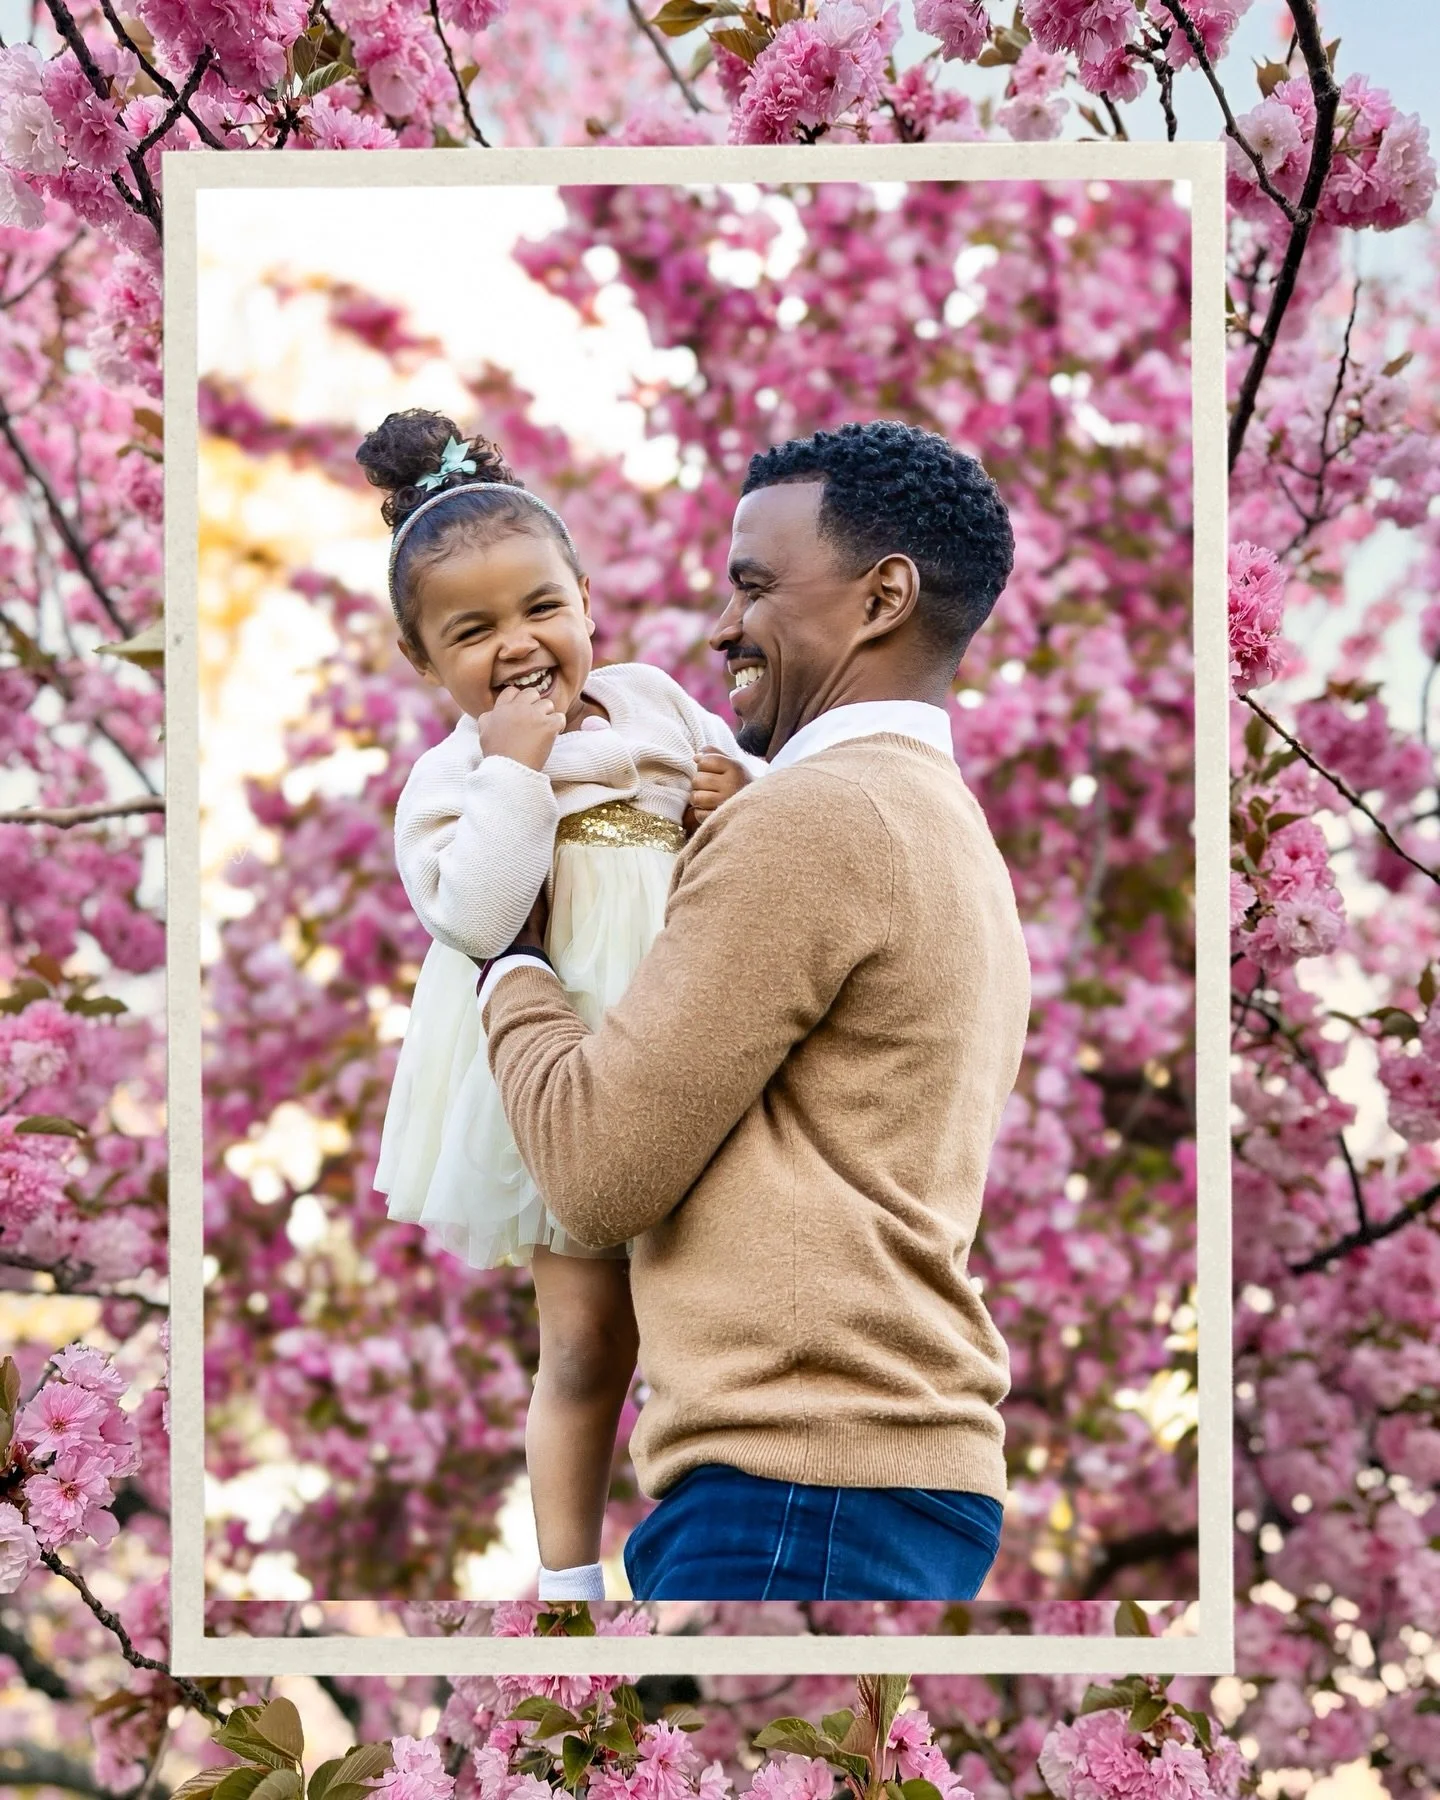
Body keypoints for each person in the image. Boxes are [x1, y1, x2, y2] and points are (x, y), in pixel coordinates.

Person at [479, 420, 1033, 1601]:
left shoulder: (812, 819)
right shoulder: (941, 827)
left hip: (797, 1486)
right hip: (867, 1481)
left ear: (884, 597)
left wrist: (507, 961)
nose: (723, 625)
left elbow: (596, 1173)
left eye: (756, 585)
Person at [360, 409, 758, 1602]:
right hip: (557, 1073)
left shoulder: (653, 702)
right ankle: (570, 1583)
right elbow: (480, 916)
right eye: (472, 631)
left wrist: (737, 790)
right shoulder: (453, 778)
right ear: (424, 662)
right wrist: (516, 769)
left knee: (710, 1309)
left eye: (541, 607)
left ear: (587, 602)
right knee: (587, 1339)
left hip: (692, 1040)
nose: (519, 644)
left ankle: (717, 1544)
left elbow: (767, 827)